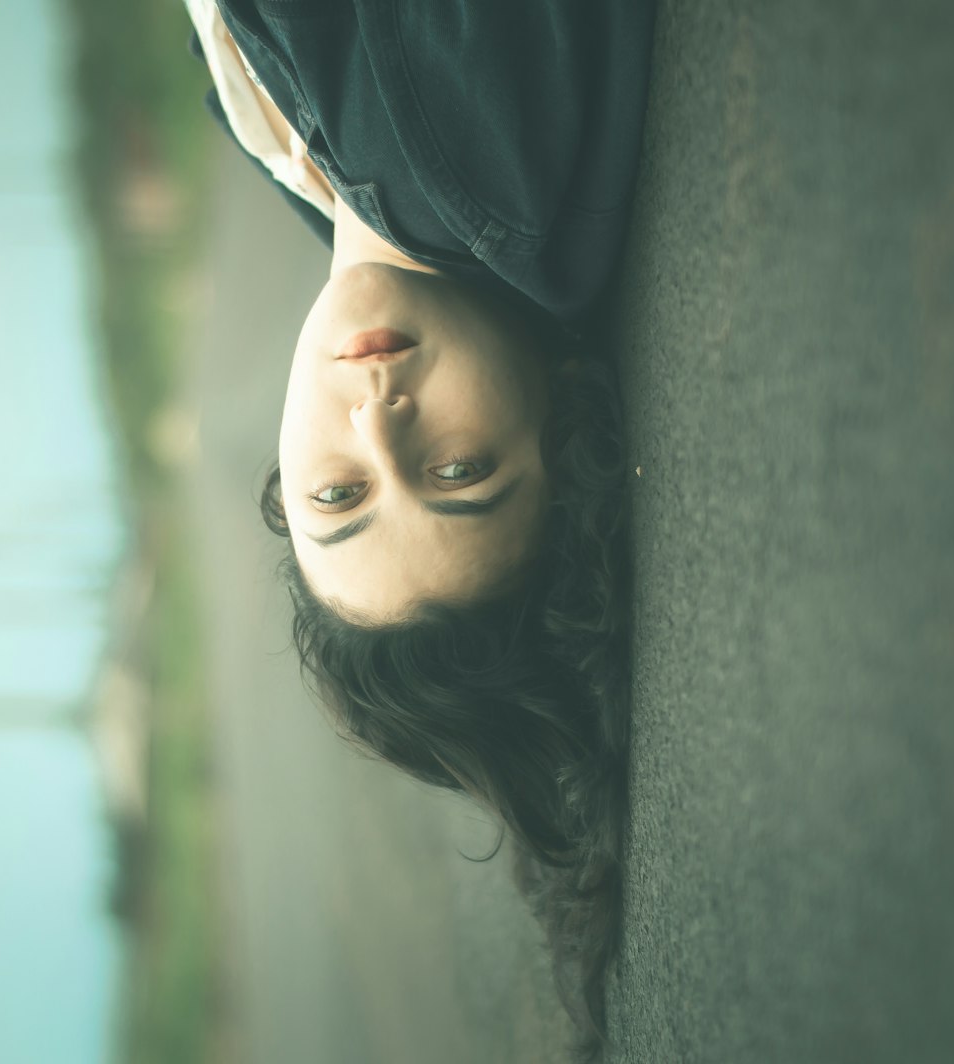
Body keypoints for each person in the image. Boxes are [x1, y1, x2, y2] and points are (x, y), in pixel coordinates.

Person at [185, 0, 653, 1055]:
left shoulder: (362, 215)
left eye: (338, 496)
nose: (378, 420)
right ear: (561, 419)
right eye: (457, 469)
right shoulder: (476, 173)